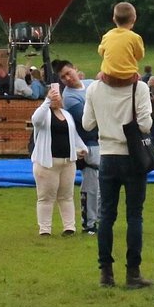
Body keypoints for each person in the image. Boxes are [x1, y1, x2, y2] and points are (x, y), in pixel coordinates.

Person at [83, 58, 154, 289]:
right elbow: (144, 125)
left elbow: (87, 124)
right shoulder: (139, 87)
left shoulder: (94, 88)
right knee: (134, 215)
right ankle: (133, 273)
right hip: (132, 157)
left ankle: (106, 273)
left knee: (106, 216)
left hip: (107, 156)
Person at [30, 84, 87, 237]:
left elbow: (73, 135)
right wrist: (47, 101)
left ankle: (69, 227)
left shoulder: (66, 115)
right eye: (52, 95)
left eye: (57, 95)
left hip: (68, 163)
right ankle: (45, 229)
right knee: (45, 197)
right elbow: (35, 120)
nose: (56, 98)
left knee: (67, 196)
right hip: (46, 164)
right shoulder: (44, 114)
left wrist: (81, 148)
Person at [60, 63, 100, 235]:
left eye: (69, 73)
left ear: (75, 69)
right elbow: (87, 122)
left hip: (106, 140)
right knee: (91, 185)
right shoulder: (69, 97)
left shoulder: (92, 84)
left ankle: (101, 219)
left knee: (104, 184)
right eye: (63, 77)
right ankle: (89, 223)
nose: (68, 78)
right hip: (89, 144)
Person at [98, 1, 144, 86]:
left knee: (100, 75)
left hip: (109, 78)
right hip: (128, 78)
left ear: (114, 19)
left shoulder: (107, 36)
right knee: (139, 78)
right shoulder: (135, 37)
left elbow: (101, 52)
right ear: (134, 19)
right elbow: (139, 56)